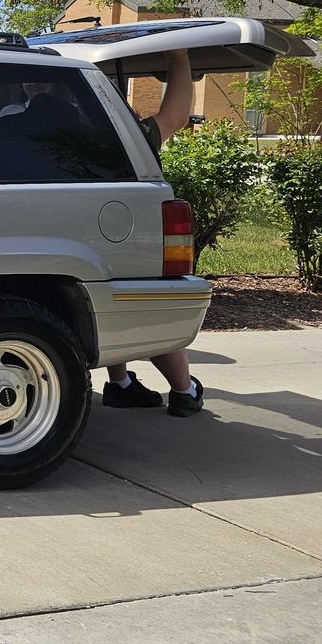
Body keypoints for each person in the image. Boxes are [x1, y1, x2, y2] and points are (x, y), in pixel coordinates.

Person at [102, 49, 205, 416]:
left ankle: (121, 384)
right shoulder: (118, 136)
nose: (135, 114)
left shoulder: (13, 126)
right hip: (128, 229)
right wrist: (179, 56)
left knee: (107, 307)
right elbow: (176, 115)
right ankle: (183, 391)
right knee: (153, 310)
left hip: (77, 237)